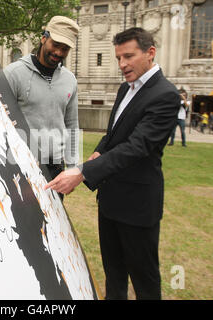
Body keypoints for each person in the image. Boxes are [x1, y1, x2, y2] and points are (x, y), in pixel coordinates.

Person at [45, 28, 180, 300]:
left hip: (137, 205)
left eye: (128, 56)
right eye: (118, 57)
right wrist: (97, 153)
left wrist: (83, 172)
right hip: (110, 201)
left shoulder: (166, 95)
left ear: (150, 53)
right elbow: (114, 135)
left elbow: (137, 147)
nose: (122, 65)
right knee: (114, 274)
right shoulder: (125, 88)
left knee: (144, 280)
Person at [4, 16, 80, 199]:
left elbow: (71, 124)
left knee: (53, 227)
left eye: (65, 49)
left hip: (55, 169)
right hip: (20, 165)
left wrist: (73, 168)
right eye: (56, 44)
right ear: (43, 38)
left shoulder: (70, 80)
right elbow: (0, 122)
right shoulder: (13, 74)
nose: (59, 52)